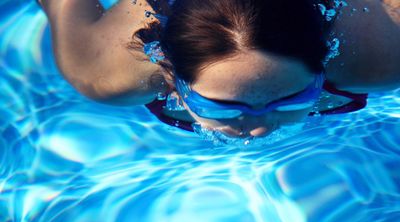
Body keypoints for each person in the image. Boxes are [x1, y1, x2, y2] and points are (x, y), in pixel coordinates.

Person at [38, 0, 399, 144]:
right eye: (223, 107)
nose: (258, 129)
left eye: (294, 98)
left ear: (326, 59)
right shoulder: (102, 72)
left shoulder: (385, 55)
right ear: (168, 74)